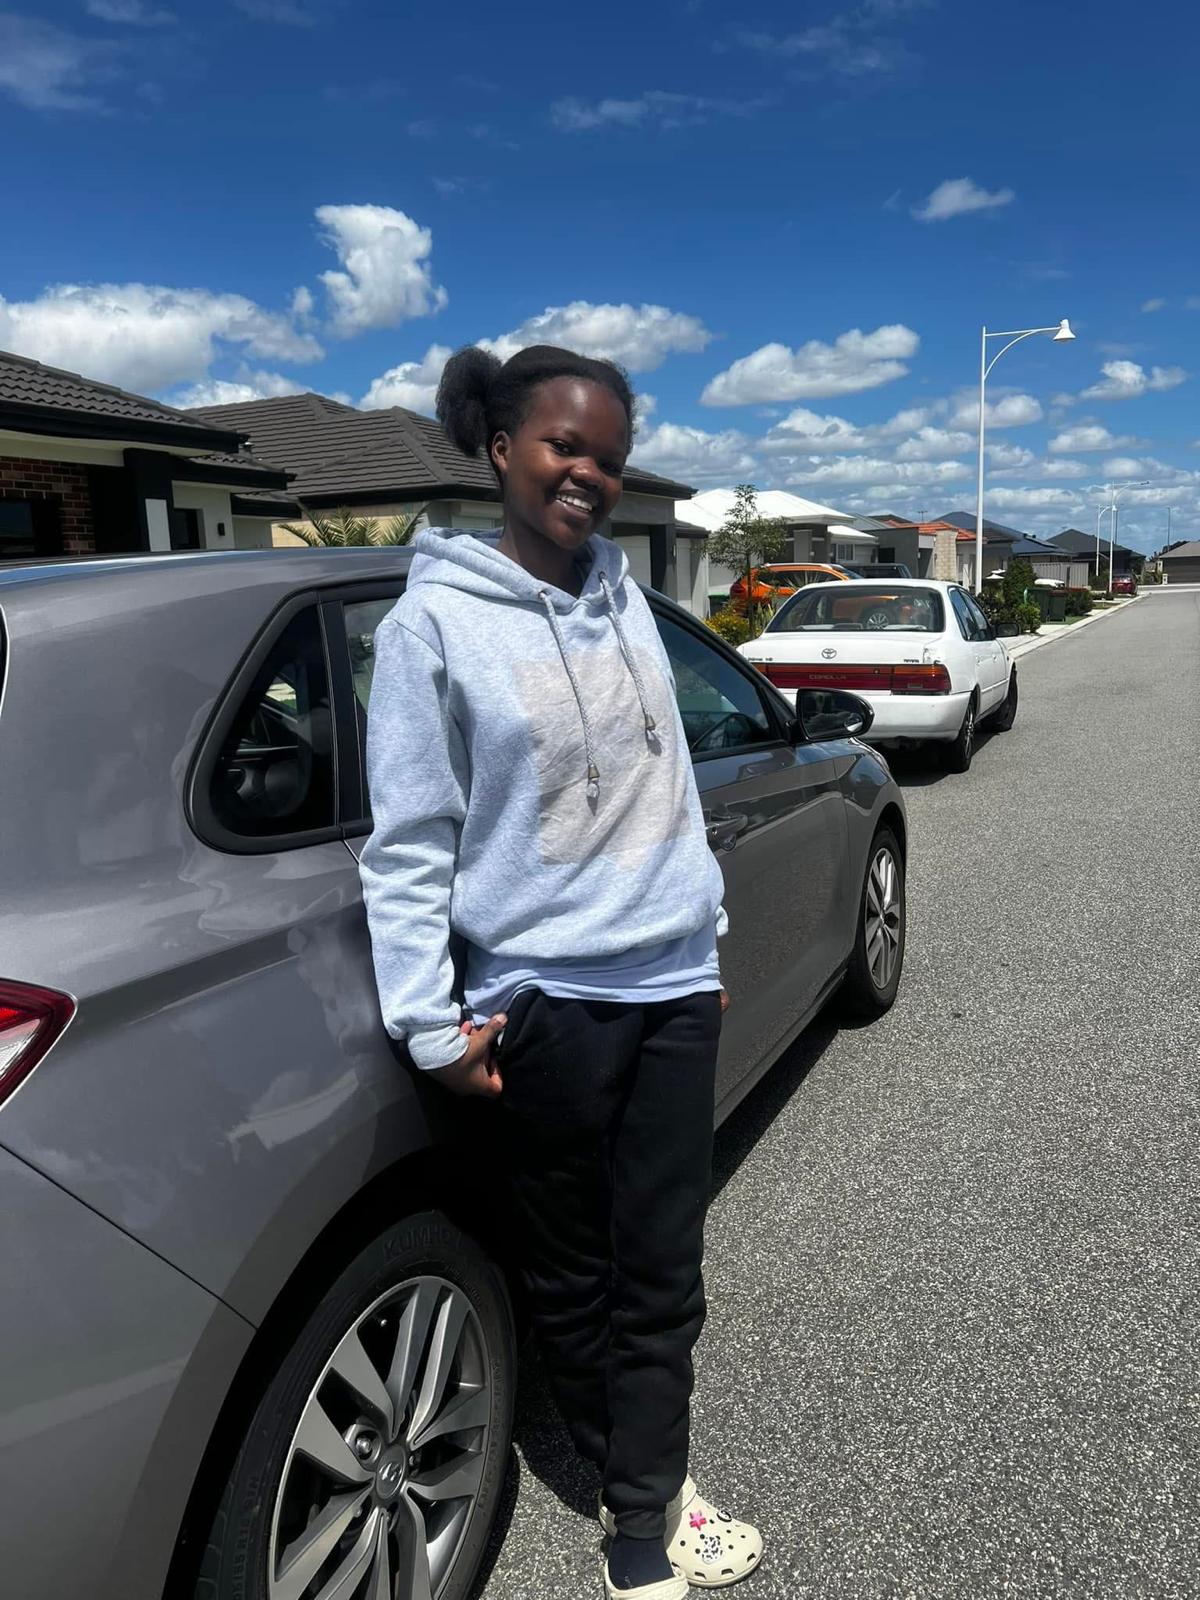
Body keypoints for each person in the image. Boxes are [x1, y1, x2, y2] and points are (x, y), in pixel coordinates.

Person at [360, 343, 763, 1600]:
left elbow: (664, 779)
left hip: (670, 992)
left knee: (665, 1275)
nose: (590, 472)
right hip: (548, 1003)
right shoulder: (433, 624)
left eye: (610, 456)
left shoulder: (626, 595)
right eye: (564, 446)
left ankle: (644, 1507)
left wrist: (701, 936)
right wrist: (429, 1023)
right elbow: (410, 838)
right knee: (577, 1278)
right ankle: (628, 1488)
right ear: (501, 449)